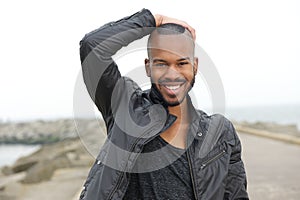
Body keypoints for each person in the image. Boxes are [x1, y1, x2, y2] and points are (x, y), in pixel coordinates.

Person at [79, 8, 248, 200]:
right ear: (148, 67)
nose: (172, 74)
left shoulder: (220, 132)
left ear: (195, 66)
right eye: (161, 64)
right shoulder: (125, 107)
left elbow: (237, 196)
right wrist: (153, 20)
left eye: (182, 63)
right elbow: (92, 46)